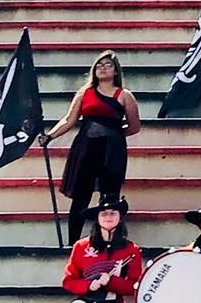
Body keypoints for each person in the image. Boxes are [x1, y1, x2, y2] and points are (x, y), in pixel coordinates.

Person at [42, 50, 141, 250]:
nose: (103, 68)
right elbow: (69, 120)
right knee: (81, 196)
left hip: (112, 152)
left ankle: (110, 242)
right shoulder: (84, 93)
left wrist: (112, 135)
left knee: (110, 197)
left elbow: (134, 126)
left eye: (108, 65)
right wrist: (50, 135)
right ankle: (73, 243)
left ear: (116, 71)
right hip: (86, 149)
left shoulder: (124, 95)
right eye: (99, 65)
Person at [61, 195, 143, 303]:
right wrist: (88, 286)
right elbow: (68, 281)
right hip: (87, 300)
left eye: (113, 213)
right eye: (104, 213)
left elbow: (135, 285)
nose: (108, 217)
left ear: (120, 218)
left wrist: (112, 282)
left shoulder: (132, 250)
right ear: (97, 219)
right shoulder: (81, 246)